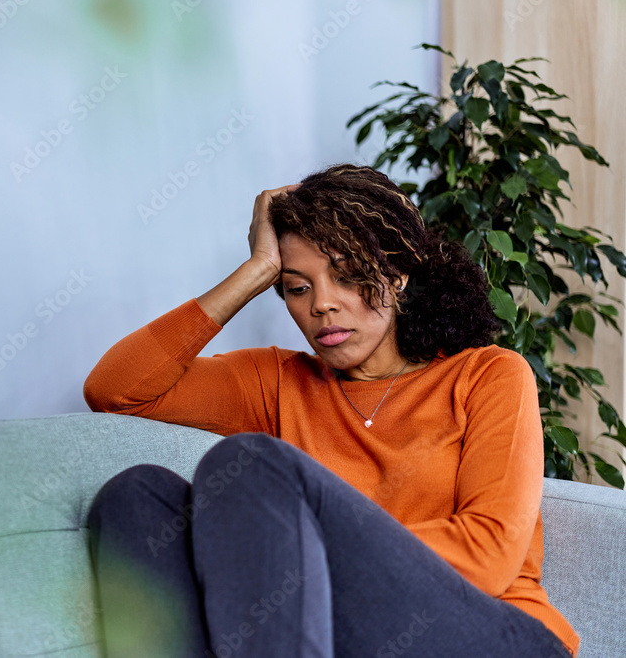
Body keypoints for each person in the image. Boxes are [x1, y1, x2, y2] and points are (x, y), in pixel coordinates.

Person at [82, 164, 578, 657]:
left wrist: (307, 547)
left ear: (399, 274)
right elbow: (115, 389)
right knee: (136, 496)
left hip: (499, 634)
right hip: (345, 635)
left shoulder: (487, 374)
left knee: (253, 466)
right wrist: (255, 270)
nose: (322, 304)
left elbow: (489, 553)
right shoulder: (279, 383)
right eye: (298, 287)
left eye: (347, 276)